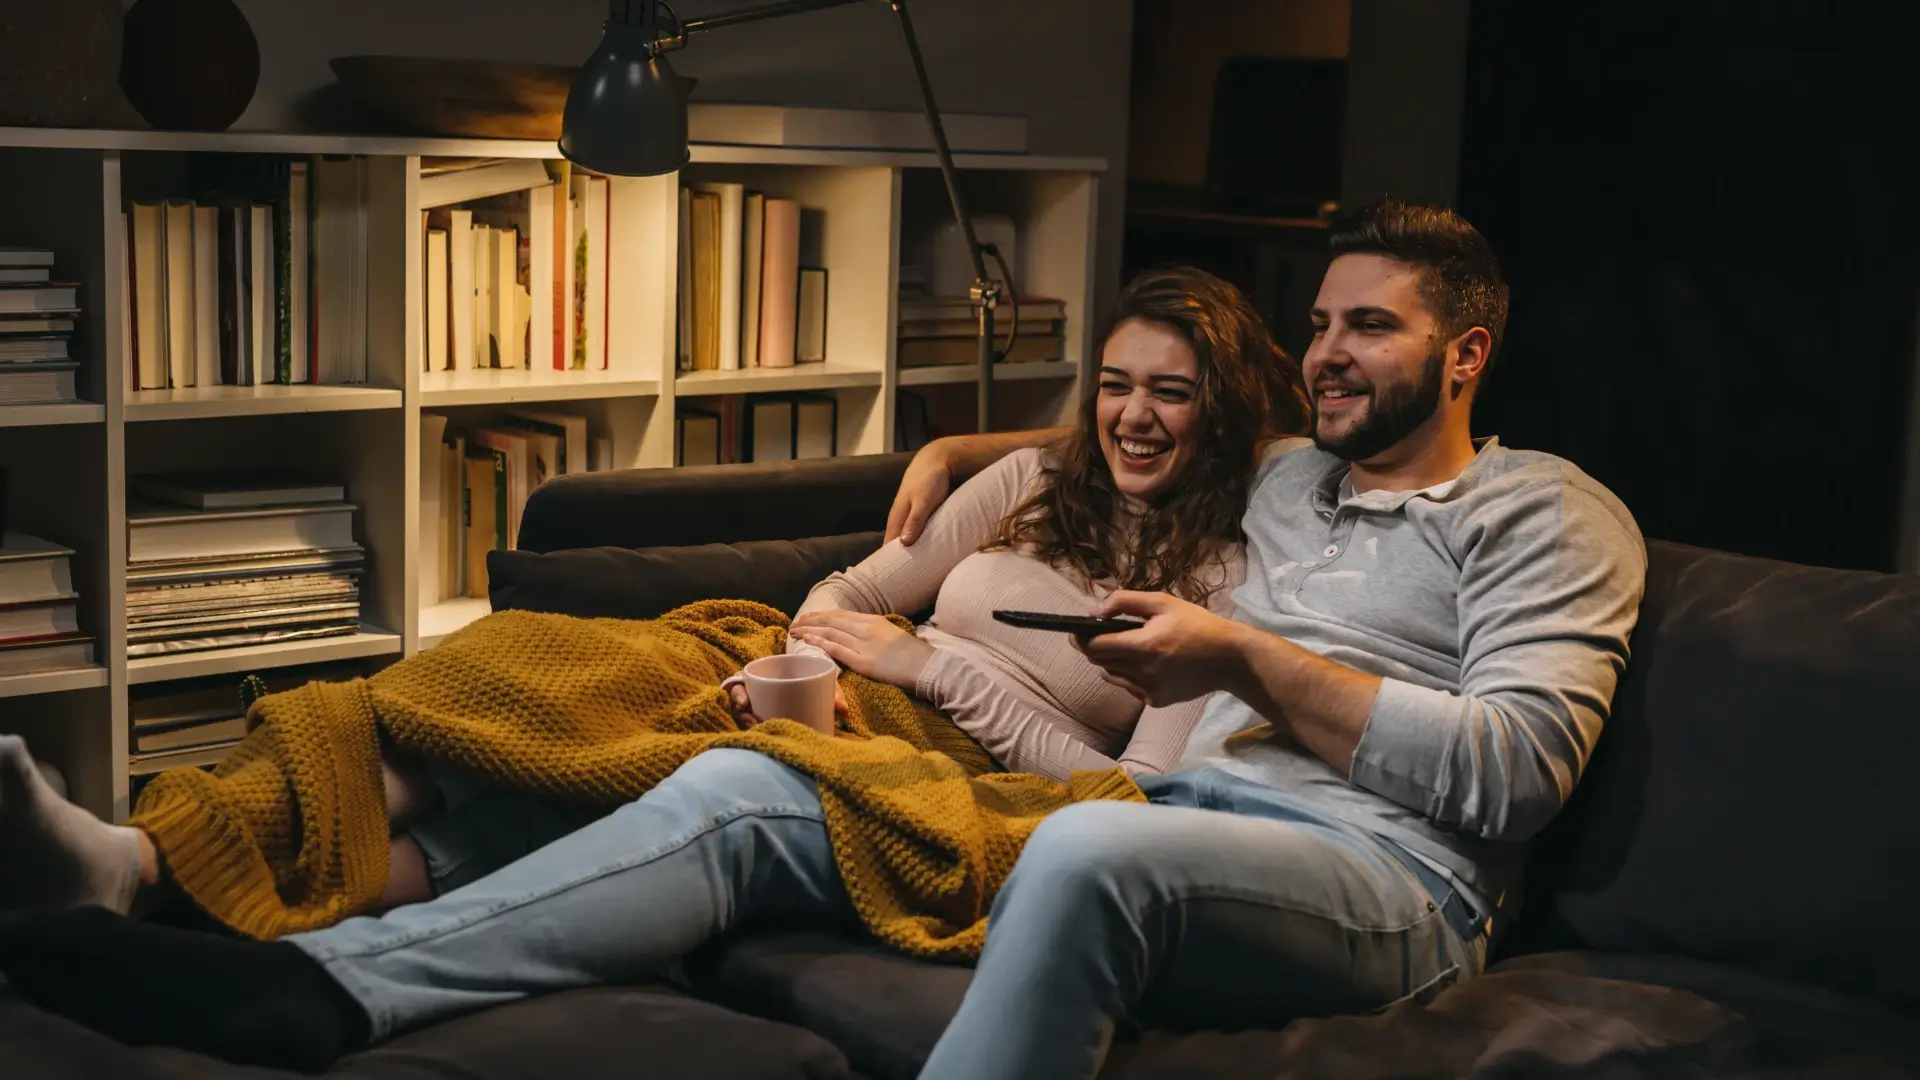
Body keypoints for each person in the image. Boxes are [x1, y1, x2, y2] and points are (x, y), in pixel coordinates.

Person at [0, 266, 1318, 1068]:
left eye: (1173, 391)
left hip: (940, 763)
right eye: (1114, 383)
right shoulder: (1027, 482)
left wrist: (930, 669)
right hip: (806, 677)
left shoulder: (1224, 594)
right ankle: (149, 861)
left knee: (544, 777)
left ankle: (161, 882)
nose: (1133, 415)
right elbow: (856, 587)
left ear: (1227, 408)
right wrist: (819, 648)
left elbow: (1118, 793)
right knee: (503, 675)